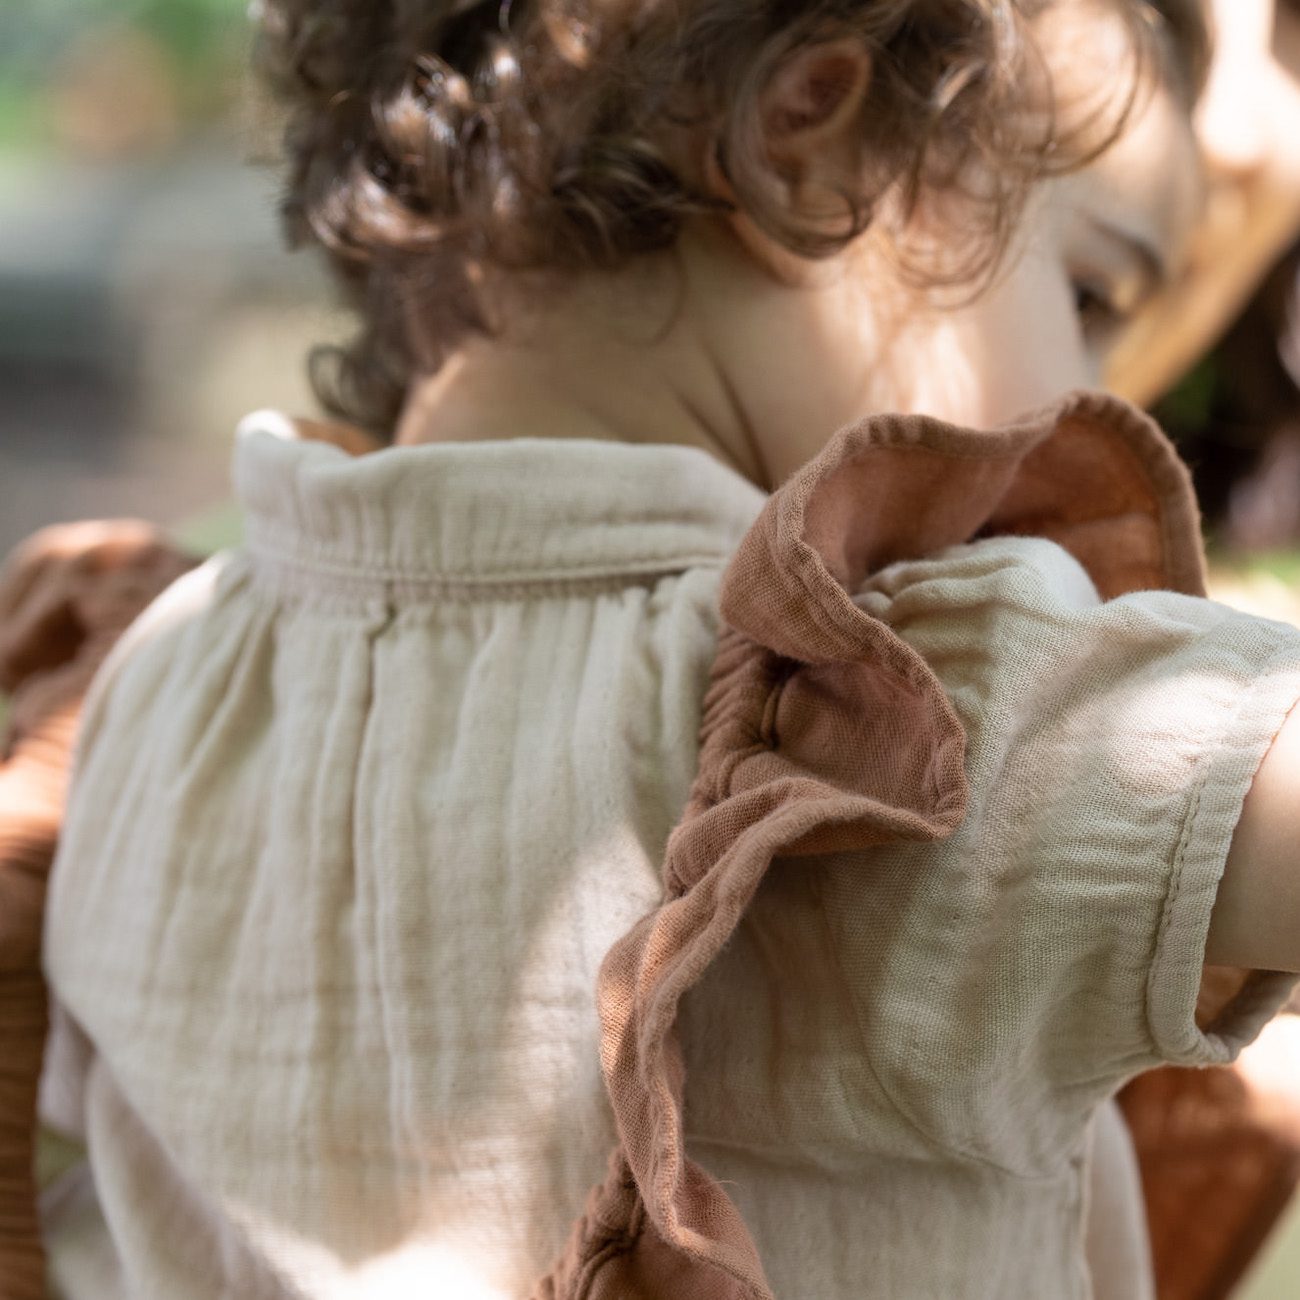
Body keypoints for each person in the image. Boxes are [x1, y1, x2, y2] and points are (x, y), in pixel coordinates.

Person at [6, 0, 1300, 1296]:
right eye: (1092, 292)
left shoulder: (138, 686)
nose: (1113, 397)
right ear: (811, 139)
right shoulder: (895, 732)